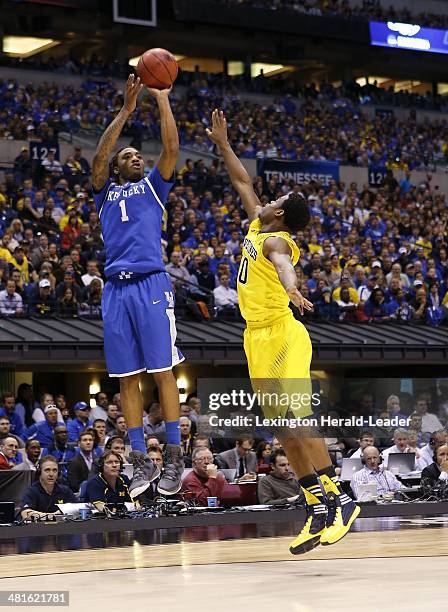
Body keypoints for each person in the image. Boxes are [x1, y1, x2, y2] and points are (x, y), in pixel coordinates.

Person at [207, 109, 359, 554]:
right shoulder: (259, 221)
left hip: (283, 333)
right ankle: (316, 504)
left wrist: (293, 290)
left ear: (282, 214)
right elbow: (243, 183)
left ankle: (342, 500)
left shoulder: (279, 240)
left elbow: (283, 266)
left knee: (298, 417)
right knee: (280, 426)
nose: (269, 199)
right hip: (254, 336)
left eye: (278, 199)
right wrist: (223, 144)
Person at [91, 74, 183, 498]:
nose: (135, 159)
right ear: (117, 166)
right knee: (127, 379)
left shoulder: (154, 188)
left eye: (137, 157)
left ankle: (175, 454)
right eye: (127, 156)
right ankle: (140, 459)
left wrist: (162, 99)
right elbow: (98, 160)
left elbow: (171, 149)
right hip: (115, 290)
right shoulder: (104, 193)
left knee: (163, 371)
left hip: (150, 284)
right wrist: (125, 112)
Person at [20, 456, 76, 520]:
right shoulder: (31, 491)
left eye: (54, 470)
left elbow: (77, 509)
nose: (51, 474)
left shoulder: (65, 491)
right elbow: (25, 514)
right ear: (39, 472)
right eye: (47, 470)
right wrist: (53, 516)